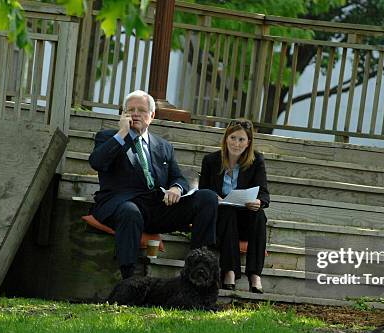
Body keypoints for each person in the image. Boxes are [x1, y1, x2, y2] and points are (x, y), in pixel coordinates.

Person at [89, 90, 218, 279]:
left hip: (157, 206)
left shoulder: (163, 146)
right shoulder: (107, 137)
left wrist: (176, 188)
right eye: (130, 110)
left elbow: (179, 178)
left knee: (207, 197)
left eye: (141, 110)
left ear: (152, 115)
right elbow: (97, 162)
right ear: (122, 114)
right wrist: (122, 133)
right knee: (130, 212)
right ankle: (129, 278)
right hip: (122, 204)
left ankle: (198, 266)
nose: (135, 114)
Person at [199, 119, 270, 294]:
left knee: (259, 215)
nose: (236, 143)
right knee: (228, 211)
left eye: (241, 140)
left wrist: (258, 202)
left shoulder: (256, 161)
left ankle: (254, 275)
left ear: (248, 143)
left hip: (245, 219)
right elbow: (202, 190)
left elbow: (264, 193)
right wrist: (212, 197)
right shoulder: (210, 161)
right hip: (220, 220)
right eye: (233, 138)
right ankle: (229, 272)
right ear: (226, 138)